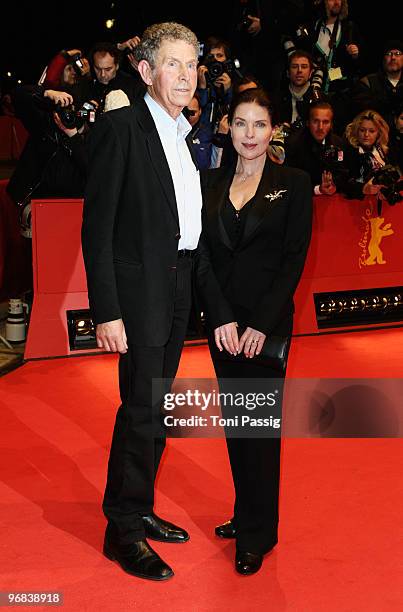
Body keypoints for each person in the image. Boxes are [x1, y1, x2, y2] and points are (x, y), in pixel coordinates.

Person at [81, 22, 202, 582]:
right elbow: (96, 226)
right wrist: (106, 309)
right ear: (146, 72)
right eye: (173, 64)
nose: (185, 74)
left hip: (179, 285)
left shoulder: (183, 133)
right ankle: (122, 528)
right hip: (139, 293)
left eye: (191, 63)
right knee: (140, 410)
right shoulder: (121, 127)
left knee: (159, 406)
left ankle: (140, 505)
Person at [195, 88, 312, 575]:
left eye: (259, 125)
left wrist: (260, 327)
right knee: (237, 426)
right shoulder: (209, 183)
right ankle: (246, 512)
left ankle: (258, 533)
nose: (249, 134)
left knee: (259, 431)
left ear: (273, 130)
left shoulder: (295, 182)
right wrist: (220, 317)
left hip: (266, 328)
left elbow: (293, 262)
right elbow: (201, 256)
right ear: (228, 127)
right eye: (240, 124)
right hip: (223, 326)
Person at [285, 101, 347, 195]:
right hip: (301, 199)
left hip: (331, 199)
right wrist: (318, 189)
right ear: (308, 123)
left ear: (331, 125)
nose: (320, 127)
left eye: (325, 122)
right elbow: (289, 182)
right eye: (316, 121)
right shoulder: (293, 144)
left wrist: (334, 185)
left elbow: (342, 173)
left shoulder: (338, 143)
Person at [343, 109, 394, 200]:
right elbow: (343, 183)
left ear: (378, 133)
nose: (366, 134)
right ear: (356, 131)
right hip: (356, 206)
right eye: (362, 130)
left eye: (371, 131)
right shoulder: (348, 153)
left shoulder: (385, 152)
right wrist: (363, 188)